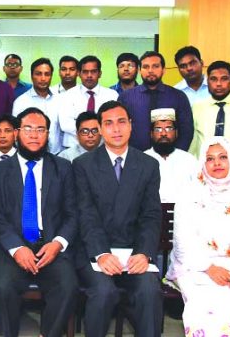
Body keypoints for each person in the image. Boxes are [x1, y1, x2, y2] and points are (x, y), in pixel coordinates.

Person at [73, 100, 162, 337]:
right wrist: (102, 253)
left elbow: (151, 215)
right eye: (109, 123)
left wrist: (143, 253)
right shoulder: (83, 165)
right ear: (100, 129)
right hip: (94, 252)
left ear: (131, 125)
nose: (116, 129)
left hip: (134, 251)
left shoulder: (148, 165)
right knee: (103, 292)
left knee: (149, 289)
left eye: (122, 122)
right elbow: (86, 213)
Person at [0, 107, 78, 337]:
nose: (34, 135)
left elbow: (72, 213)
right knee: (3, 287)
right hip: (12, 247)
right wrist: (17, 248)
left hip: (50, 247)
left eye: (41, 130)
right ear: (17, 133)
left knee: (68, 286)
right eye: (28, 129)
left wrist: (57, 243)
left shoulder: (63, 169)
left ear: (48, 134)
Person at [167, 136, 230, 336]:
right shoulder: (189, 193)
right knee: (206, 300)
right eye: (210, 159)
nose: (217, 163)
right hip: (197, 265)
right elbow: (182, 242)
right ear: (203, 162)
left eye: (223, 157)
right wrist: (209, 269)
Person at [118, 51, 193, 151]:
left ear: (163, 70)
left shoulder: (178, 96)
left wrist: (175, 156)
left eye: (155, 66)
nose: (150, 70)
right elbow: (120, 130)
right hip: (135, 159)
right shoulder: (126, 97)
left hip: (170, 159)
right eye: (146, 67)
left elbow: (186, 131)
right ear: (140, 70)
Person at [189, 61, 230, 156]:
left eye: (224, 79)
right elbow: (193, 144)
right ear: (207, 81)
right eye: (213, 79)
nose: (218, 84)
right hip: (204, 166)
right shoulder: (197, 108)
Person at [57, 55, 119, 151]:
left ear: (100, 73)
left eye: (93, 71)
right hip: (73, 148)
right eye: (85, 72)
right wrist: (92, 133)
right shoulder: (67, 95)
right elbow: (65, 124)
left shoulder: (111, 95)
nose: (89, 75)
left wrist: (92, 133)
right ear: (79, 73)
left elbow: (113, 123)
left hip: (103, 148)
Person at [144, 108, 198, 204]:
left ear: (176, 133)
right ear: (151, 134)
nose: (163, 133)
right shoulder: (141, 160)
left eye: (169, 128)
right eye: (158, 129)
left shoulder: (189, 160)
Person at [13, 58, 62, 153]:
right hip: (30, 155)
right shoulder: (21, 102)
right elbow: (17, 134)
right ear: (32, 76)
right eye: (38, 74)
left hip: (56, 155)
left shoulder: (60, 100)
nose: (43, 78)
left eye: (47, 74)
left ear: (51, 76)